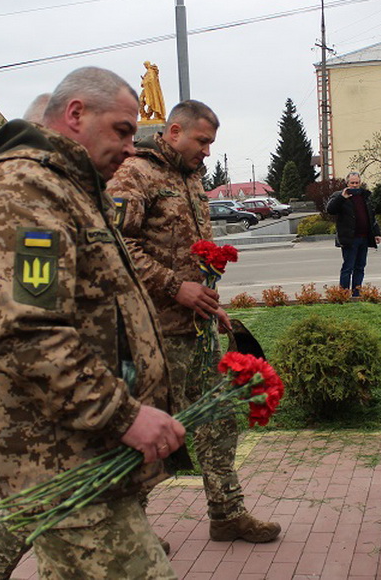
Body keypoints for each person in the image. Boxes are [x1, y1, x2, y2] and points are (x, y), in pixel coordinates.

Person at [0, 67, 185, 579]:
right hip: (62, 458)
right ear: (76, 113)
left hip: (91, 452)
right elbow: (28, 331)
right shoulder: (22, 191)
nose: (130, 148)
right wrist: (124, 415)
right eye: (122, 130)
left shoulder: (70, 188)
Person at [106, 100, 281, 543]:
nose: (207, 151)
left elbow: (192, 252)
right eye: (202, 141)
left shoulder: (192, 178)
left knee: (220, 420)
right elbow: (115, 245)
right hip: (153, 332)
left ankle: (227, 513)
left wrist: (207, 302)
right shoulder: (135, 174)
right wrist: (173, 287)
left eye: (211, 143)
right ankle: (132, 534)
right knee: (151, 431)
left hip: (197, 329)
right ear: (175, 131)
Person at [326, 171, 381, 296]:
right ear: (347, 183)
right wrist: (342, 197)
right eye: (352, 183)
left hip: (364, 238)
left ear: (360, 183)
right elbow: (330, 210)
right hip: (349, 239)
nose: (355, 185)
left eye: (357, 183)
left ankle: (357, 293)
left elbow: (371, 216)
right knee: (348, 268)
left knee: (360, 267)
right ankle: (343, 294)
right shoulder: (339, 196)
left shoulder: (365, 196)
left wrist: (376, 233)